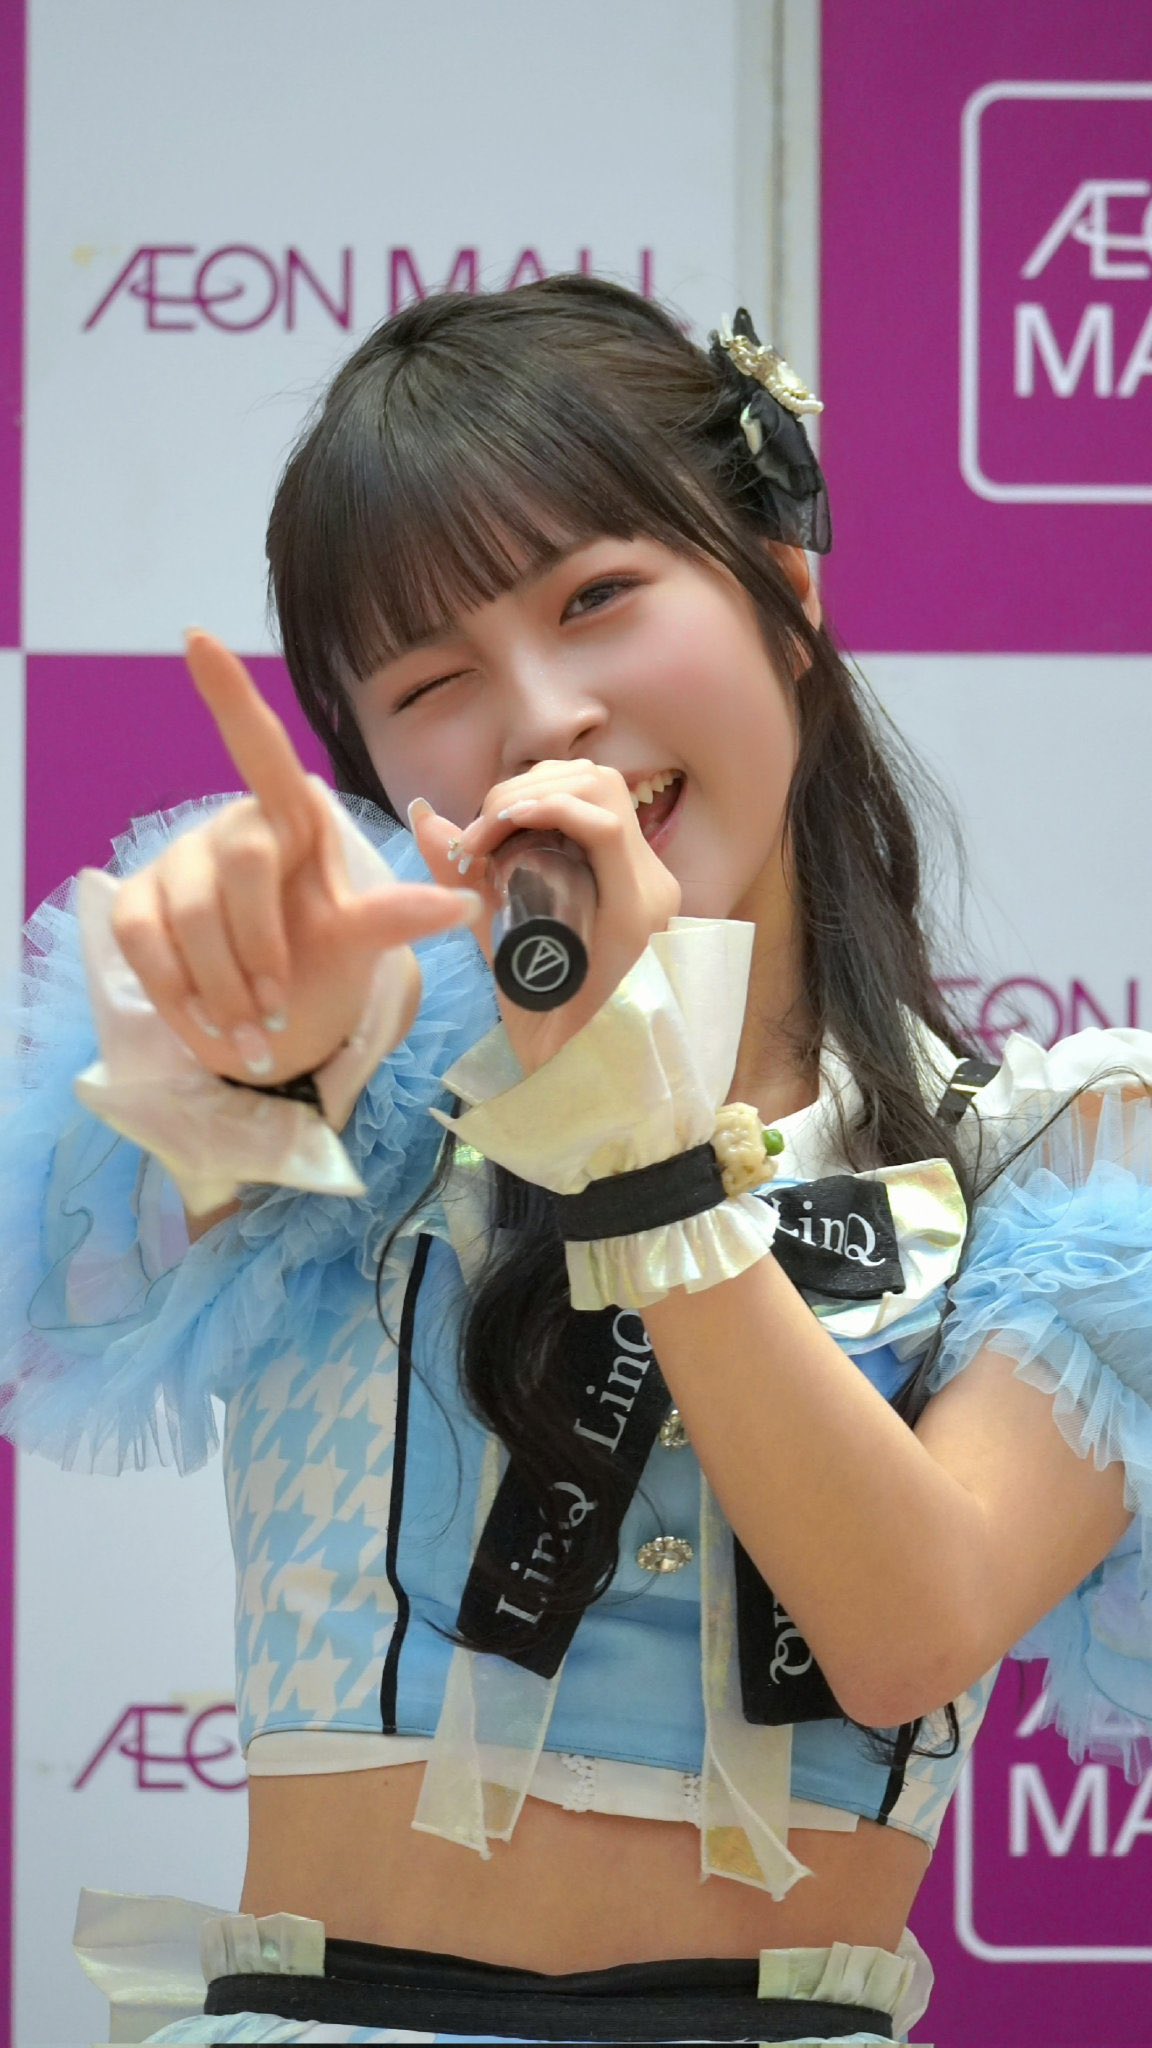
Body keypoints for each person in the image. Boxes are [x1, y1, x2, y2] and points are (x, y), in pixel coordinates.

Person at [3, 276, 1150, 2047]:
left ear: (783, 588)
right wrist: (220, 1040)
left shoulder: (1056, 1148)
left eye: (598, 598)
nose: (544, 716)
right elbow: (87, 1270)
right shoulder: (372, 1055)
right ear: (386, 776)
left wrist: (645, 1155)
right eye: (433, 681)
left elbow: (911, 1635)